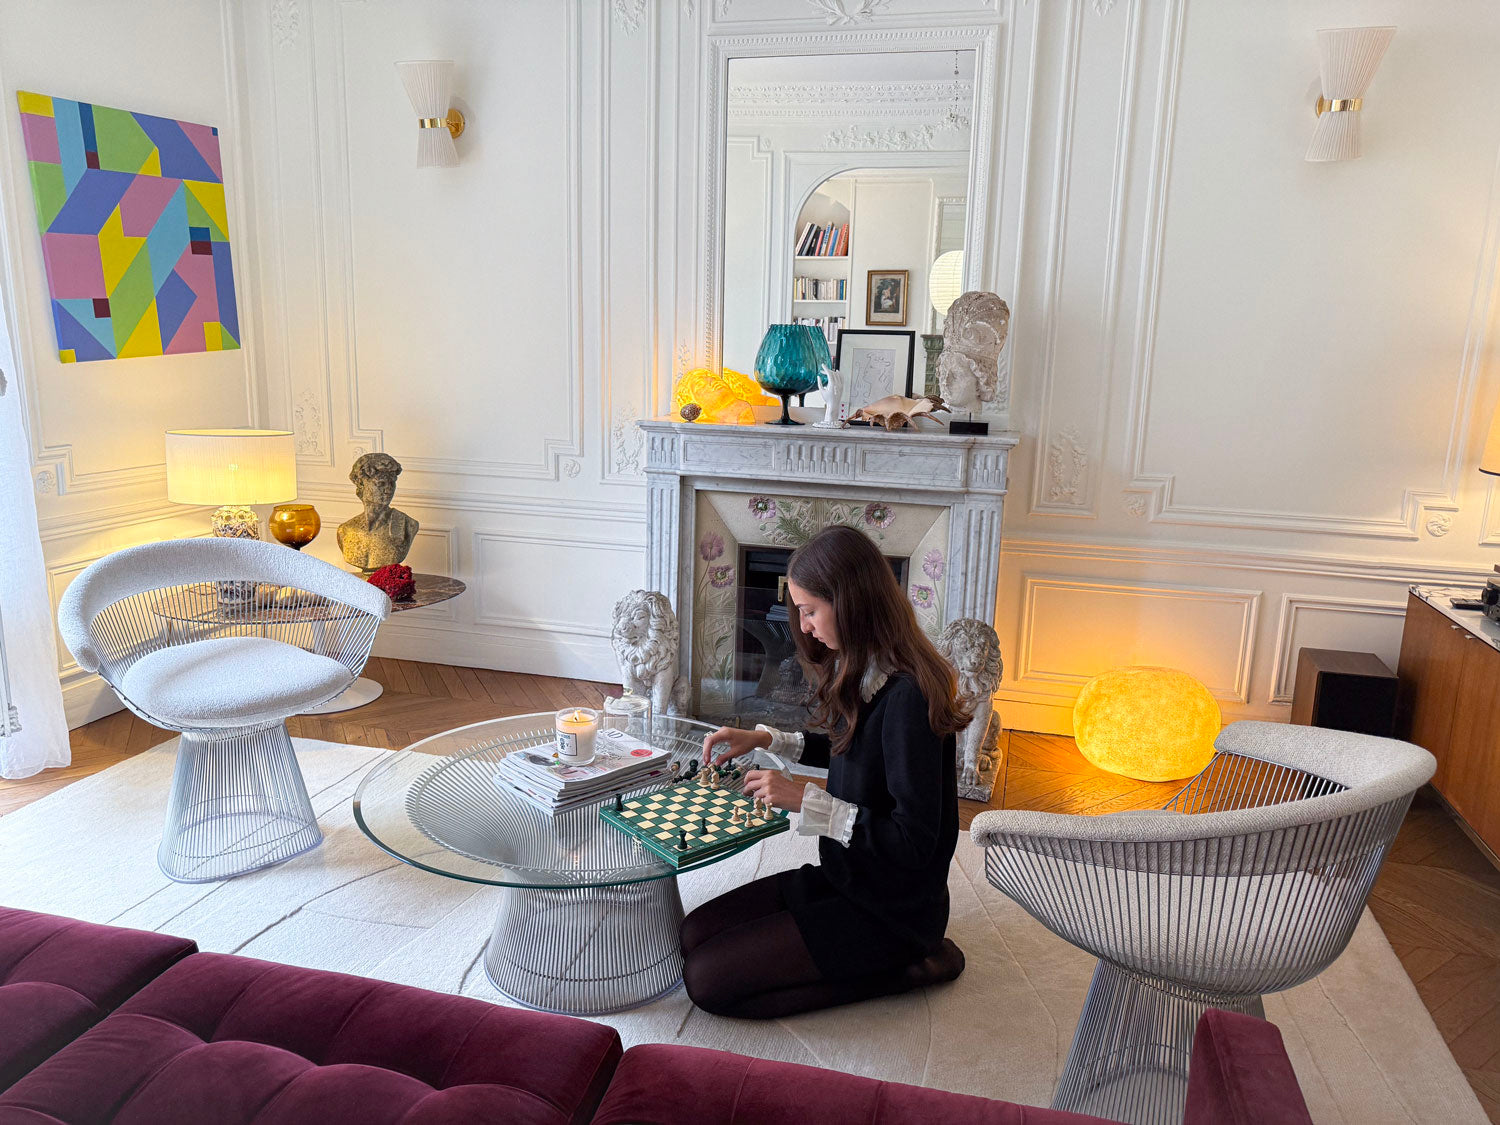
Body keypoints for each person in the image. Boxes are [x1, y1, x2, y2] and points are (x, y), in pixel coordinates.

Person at [680, 524, 970, 1019]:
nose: (805, 625)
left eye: (810, 610)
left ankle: (904, 969)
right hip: (845, 876)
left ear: (850, 602)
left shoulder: (908, 697)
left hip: (889, 912)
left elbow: (914, 842)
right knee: (690, 935)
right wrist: (767, 738)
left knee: (706, 983)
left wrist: (804, 800)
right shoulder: (864, 664)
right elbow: (852, 747)